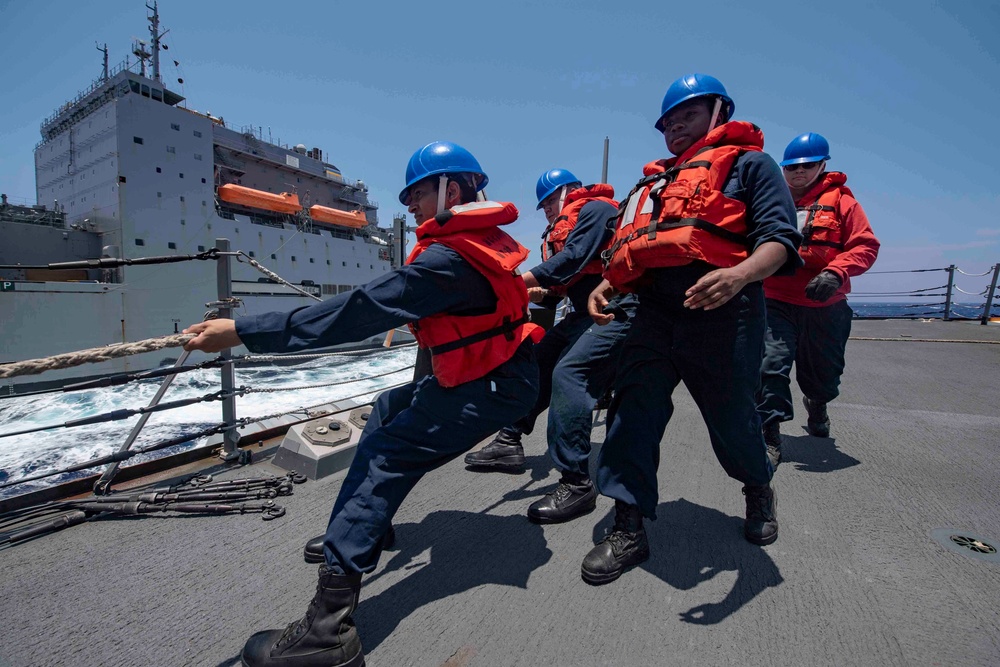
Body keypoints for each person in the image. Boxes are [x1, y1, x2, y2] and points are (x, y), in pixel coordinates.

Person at [183, 140, 544, 667]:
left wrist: (242, 330)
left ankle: (327, 633)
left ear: (454, 189)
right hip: (495, 376)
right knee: (387, 410)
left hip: (487, 387)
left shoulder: (445, 260)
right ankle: (365, 532)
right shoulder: (479, 243)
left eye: (418, 193)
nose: (411, 207)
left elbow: (358, 310)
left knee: (382, 460)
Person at [582, 73, 803, 585]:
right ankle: (628, 525)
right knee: (632, 412)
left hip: (726, 313)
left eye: (688, 115)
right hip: (656, 315)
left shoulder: (751, 165)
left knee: (733, 423)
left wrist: (740, 274)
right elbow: (648, 248)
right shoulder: (659, 182)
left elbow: (780, 240)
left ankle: (757, 486)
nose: (675, 127)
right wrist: (610, 286)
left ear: (720, 112)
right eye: (668, 122)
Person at [464, 168, 638, 524]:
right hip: (582, 314)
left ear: (565, 193)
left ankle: (576, 483)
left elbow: (573, 258)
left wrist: (513, 282)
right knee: (537, 364)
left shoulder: (597, 210)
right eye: (543, 209)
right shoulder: (569, 221)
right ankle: (509, 441)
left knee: (570, 374)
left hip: (617, 309)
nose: (546, 213)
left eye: (547, 205)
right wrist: (539, 292)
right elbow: (565, 280)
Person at [757, 132, 880, 464]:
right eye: (791, 167)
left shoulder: (843, 203)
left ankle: (818, 403)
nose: (798, 173)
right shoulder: (769, 199)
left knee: (822, 376)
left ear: (823, 165)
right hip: (775, 300)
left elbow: (865, 246)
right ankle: (769, 435)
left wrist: (836, 272)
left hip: (826, 307)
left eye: (807, 166)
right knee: (769, 365)